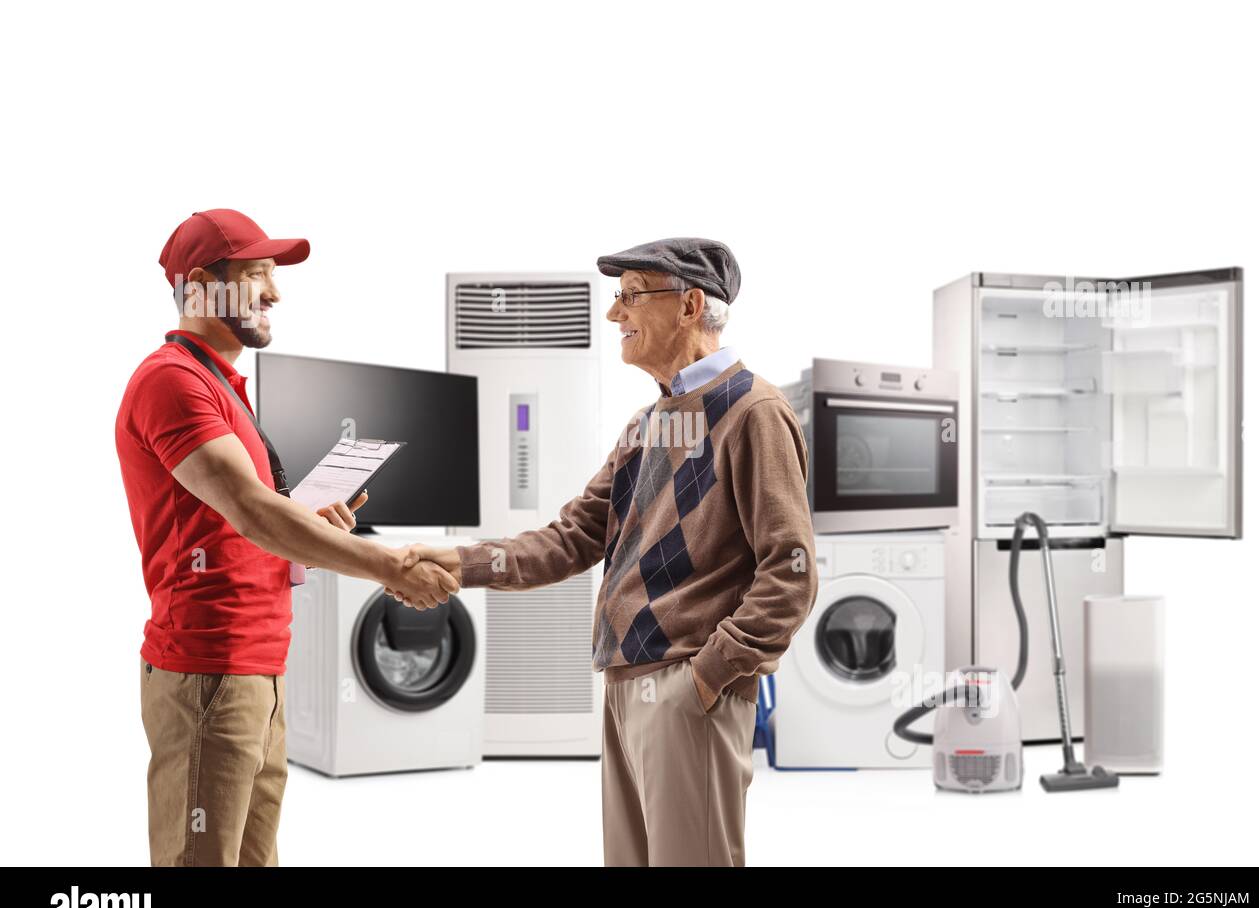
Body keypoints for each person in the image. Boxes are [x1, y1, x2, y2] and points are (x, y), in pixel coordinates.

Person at [395, 238, 817, 866]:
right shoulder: (648, 425)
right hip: (625, 685)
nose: (613, 315)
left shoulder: (754, 411)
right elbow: (572, 538)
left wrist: (708, 676)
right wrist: (456, 562)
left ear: (690, 304)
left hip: (685, 688)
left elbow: (791, 571)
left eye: (630, 296)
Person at [116, 209, 457, 866]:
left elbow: (251, 517)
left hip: (256, 668)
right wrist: (387, 566)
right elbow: (251, 511)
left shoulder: (220, 385)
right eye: (257, 275)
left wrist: (304, 519)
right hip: (210, 670)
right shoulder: (171, 381)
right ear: (199, 288)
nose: (275, 293)